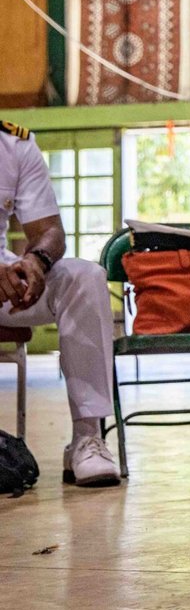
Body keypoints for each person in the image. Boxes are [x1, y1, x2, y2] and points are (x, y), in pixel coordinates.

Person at [0, 120, 120, 487]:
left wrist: (35, 263)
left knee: (84, 277)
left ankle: (88, 437)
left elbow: (49, 229)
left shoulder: (14, 146)